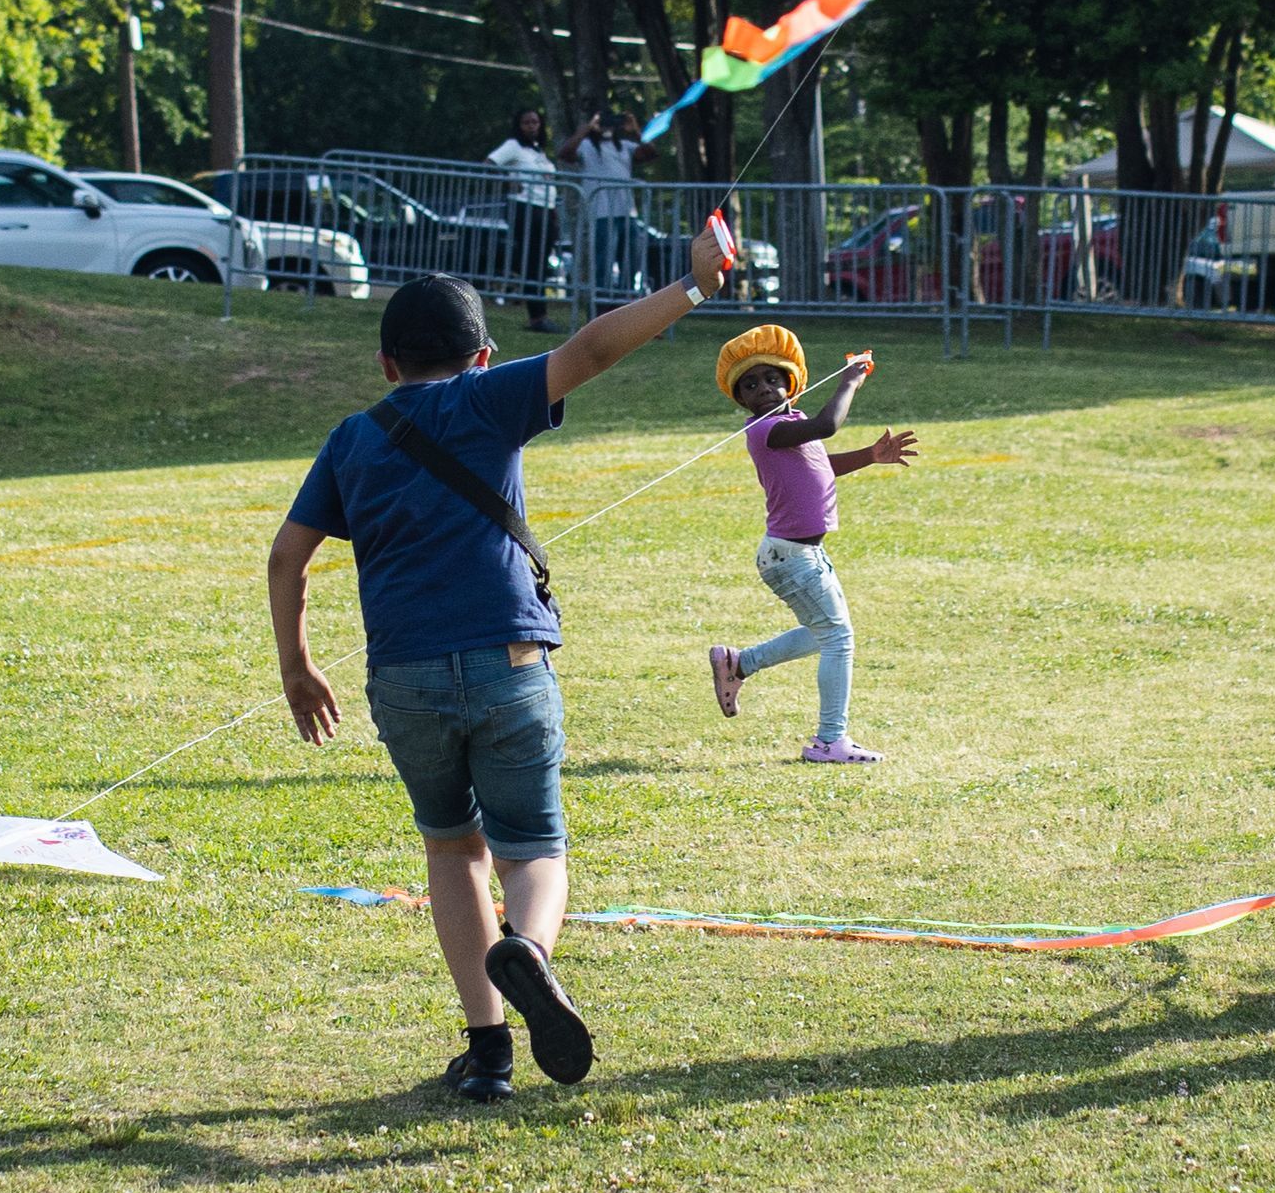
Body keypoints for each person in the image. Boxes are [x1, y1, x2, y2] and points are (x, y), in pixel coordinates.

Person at [268, 225, 731, 1101]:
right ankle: (529, 947)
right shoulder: (488, 399)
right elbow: (591, 347)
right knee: (535, 850)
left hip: (401, 678)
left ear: (385, 363)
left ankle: (487, 1053)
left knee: (452, 847)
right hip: (509, 659)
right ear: (482, 357)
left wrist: (297, 665)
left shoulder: (351, 438)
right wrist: (694, 287)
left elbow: (286, 558)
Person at [705, 324, 917, 764]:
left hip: (803, 554)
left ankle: (739, 663)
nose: (763, 389)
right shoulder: (763, 431)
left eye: (772, 379)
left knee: (827, 634)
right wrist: (850, 381)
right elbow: (829, 425)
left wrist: (871, 456)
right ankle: (828, 741)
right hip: (790, 556)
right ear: (740, 398)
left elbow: (821, 463)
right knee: (838, 637)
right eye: (750, 384)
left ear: (792, 384)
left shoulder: (791, 424)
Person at [558, 104, 654, 312]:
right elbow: (565, 153)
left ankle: (625, 308)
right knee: (604, 262)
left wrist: (635, 130)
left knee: (631, 261)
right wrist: (586, 128)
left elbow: (649, 154)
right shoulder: (586, 146)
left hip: (627, 212)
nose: (607, 127)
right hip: (601, 213)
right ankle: (600, 310)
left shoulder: (625, 146)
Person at [487, 104, 560, 330]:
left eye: (535, 122)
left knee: (541, 263)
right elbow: (489, 163)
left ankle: (542, 314)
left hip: (545, 208)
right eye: (527, 122)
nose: (532, 127)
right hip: (525, 208)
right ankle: (536, 316)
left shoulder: (538, 151)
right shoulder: (513, 146)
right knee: (532, 261)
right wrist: (509, 181)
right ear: (519, 126)